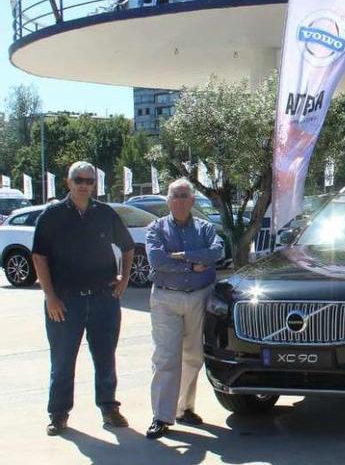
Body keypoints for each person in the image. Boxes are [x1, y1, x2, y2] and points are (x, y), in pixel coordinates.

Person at [33, 161, 134, 436]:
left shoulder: (105, 213)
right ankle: (59, 414)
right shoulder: (51, 215)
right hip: (65, 303)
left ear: (94, 184)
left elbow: (127, 247)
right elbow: (39, 257)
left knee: (105, 358)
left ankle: (109, 408)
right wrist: (50, 297)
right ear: (68, 182)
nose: (84, 184)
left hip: (104, 300)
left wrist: (124, 280)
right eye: (78, 179)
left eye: (89, 180)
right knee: (63, 361)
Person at [144, 178, 224, 439]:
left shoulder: (205, 227)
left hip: (199, 297)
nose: (179, 200)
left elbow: (217, 252)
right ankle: (161, 416)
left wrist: (180, 255)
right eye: (174, 196)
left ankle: (183, 408)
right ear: (168, 201)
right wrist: (191, 264)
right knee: (166, 358)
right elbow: (157, 260)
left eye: (183, 195)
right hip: (166, 299)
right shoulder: (156, 228)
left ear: (192, 200)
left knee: (193, 357)